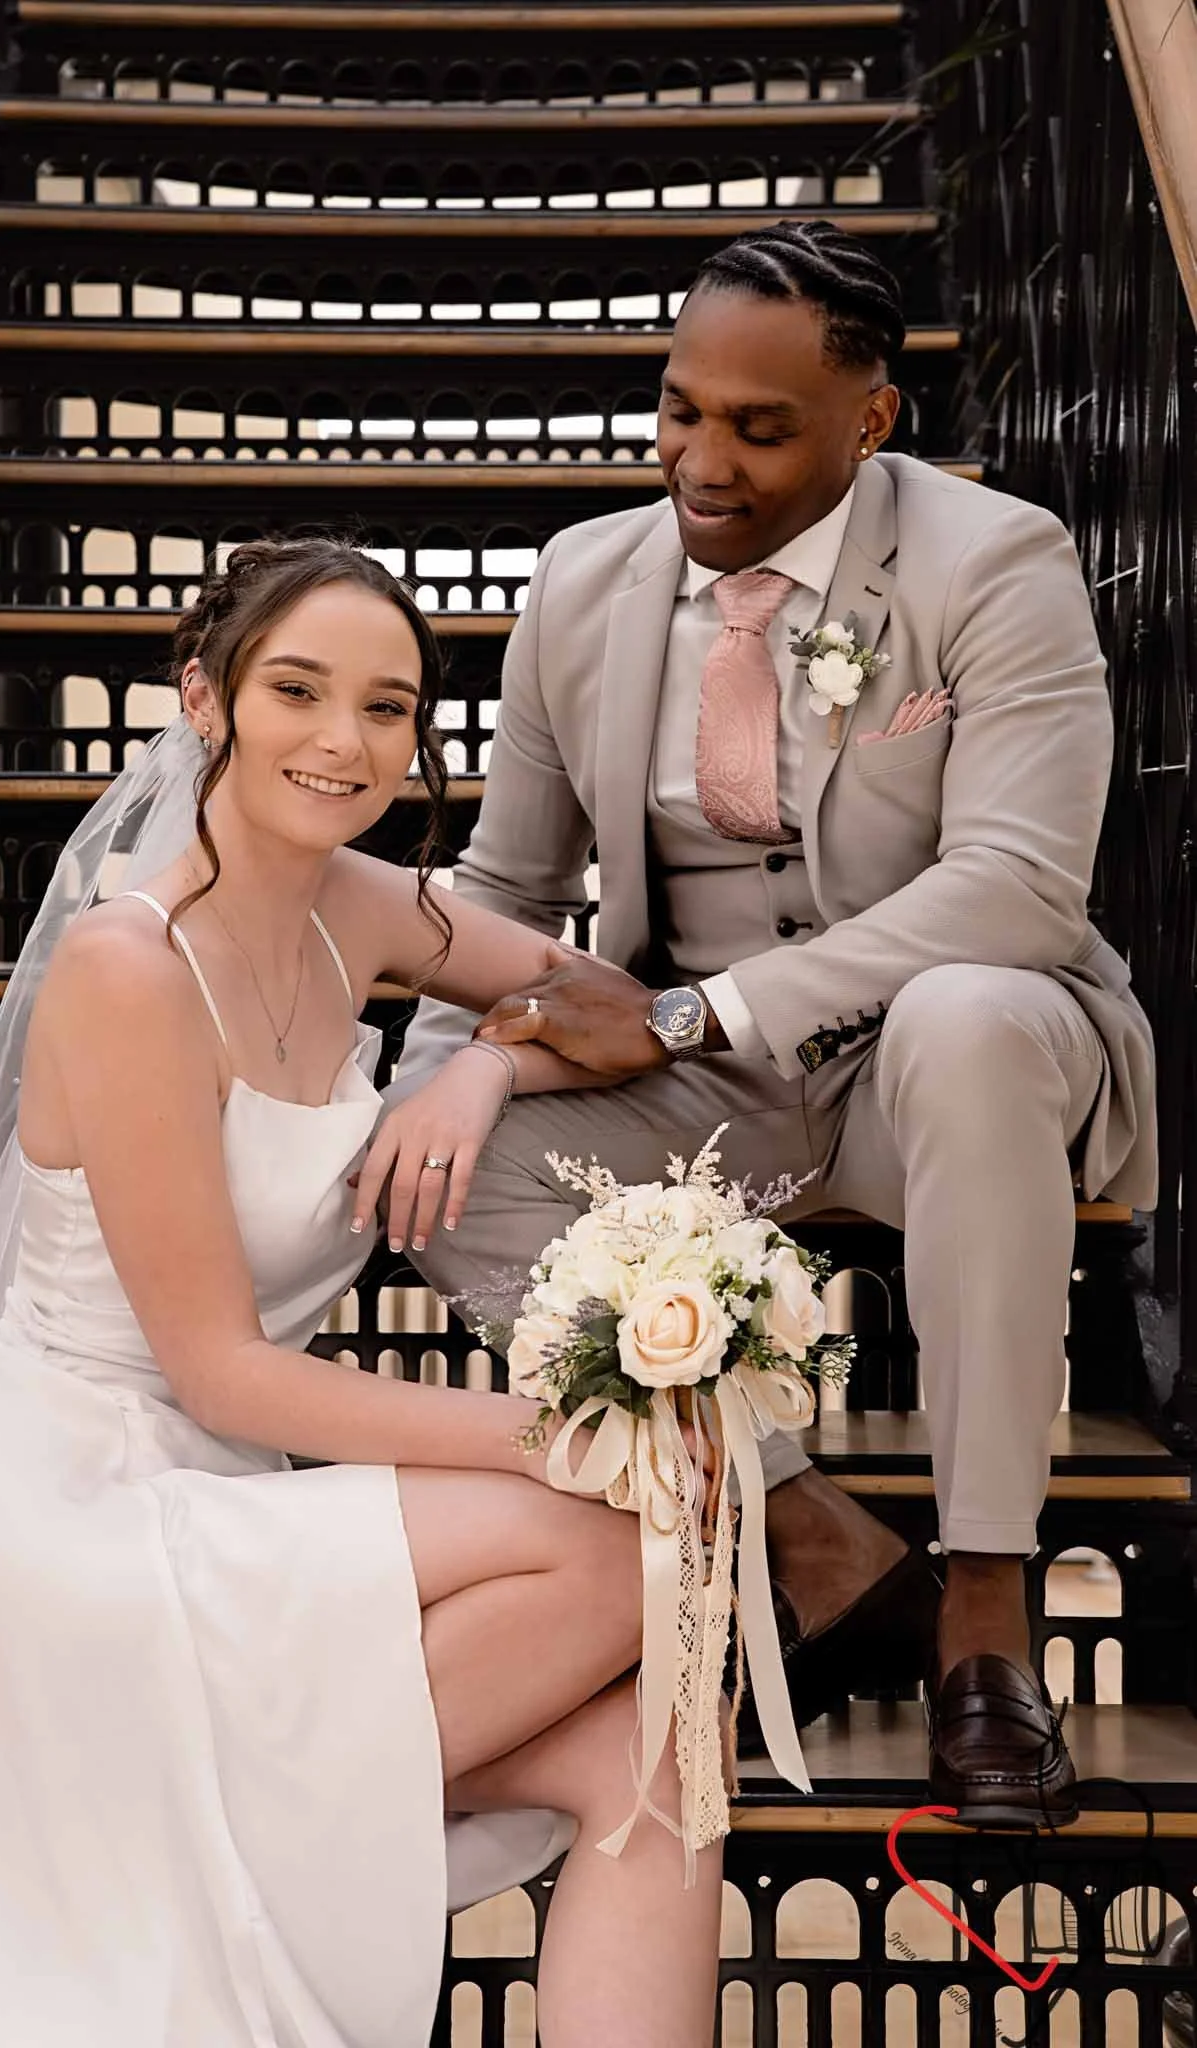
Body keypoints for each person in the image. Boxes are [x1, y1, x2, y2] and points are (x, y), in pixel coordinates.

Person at [0, 539, 726, 2048]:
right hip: (88, 1508)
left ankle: (205, 1815)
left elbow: (623, 1018)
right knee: (611, 1549)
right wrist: (552, 1436)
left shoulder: (372, 908)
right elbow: (221, 1374)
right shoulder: (128, 969)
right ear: (204, 699)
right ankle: (177, 1807)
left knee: (660, 1751)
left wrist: (477, 1069)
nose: (346, 741)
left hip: (221, 1494)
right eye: (300, 692)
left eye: (388, 709)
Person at [391, 221, 1158, 1829]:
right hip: (703, 1097)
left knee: (967, 1016)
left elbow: (1018, 887)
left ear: (869, 422)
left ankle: (983, 1617)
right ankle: (806, 1534)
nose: (702, 460)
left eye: (758, 425)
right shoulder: (585, 582)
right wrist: (456, 1055)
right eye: (679, 410)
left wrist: (684, 1013)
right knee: (419, 1120)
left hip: (930, 1063)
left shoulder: (993, 560)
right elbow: (507, 884)